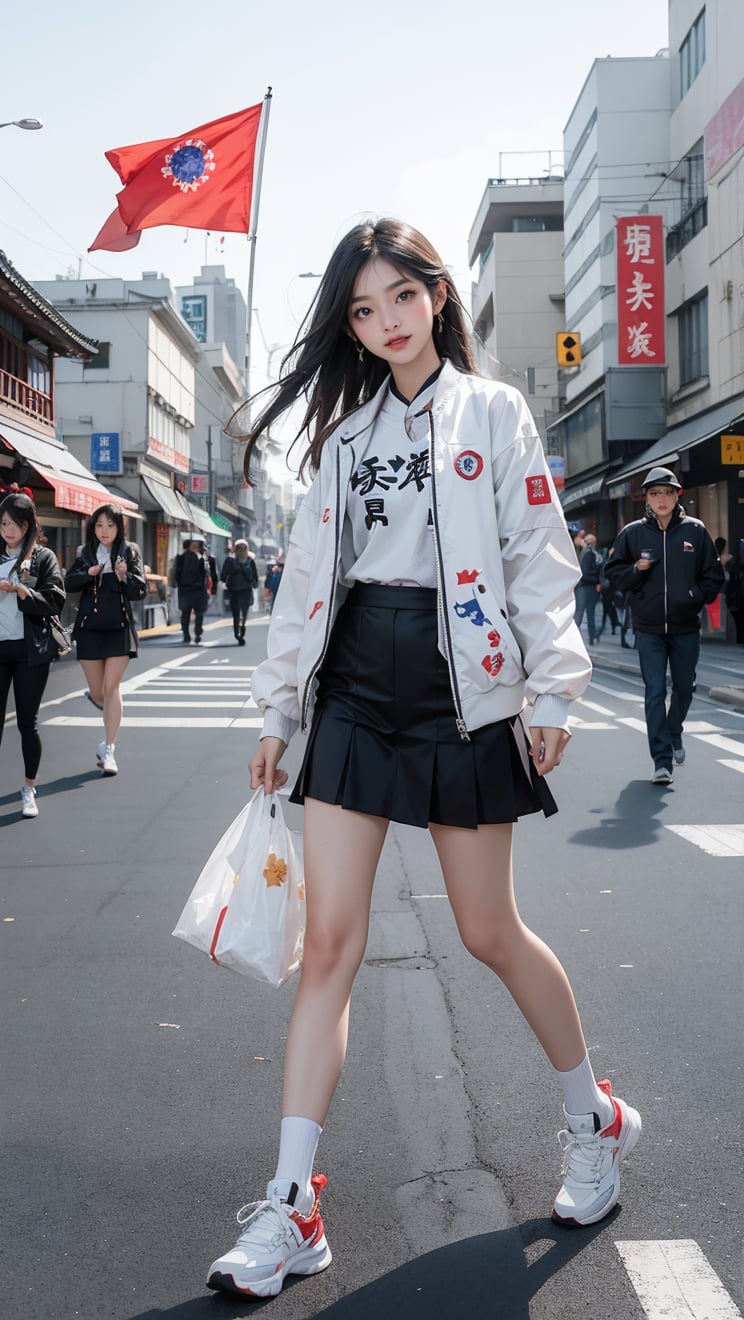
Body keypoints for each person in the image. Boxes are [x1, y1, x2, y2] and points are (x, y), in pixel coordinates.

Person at [205, 219, 642, 1301]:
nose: (385, 321)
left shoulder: (491, 412)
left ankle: (595, 1122)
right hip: (354, 691)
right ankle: (293, 1204)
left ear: (437, 296)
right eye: (363, 308)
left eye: (400, 296)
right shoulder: (346, 439)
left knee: (489, 930)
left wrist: (554, 687)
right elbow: (310, 579)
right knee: (330, 948)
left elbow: (539, 552)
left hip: (462, 692)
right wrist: (278, 712)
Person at [605, 467, 724, 784]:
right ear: (646, 498)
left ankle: (674, 731)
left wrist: (693, 597)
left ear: (676, 496)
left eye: (667, 493)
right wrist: (637, 570)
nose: (661, 499)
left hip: (685, 627)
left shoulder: (695, 532)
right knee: (654, 692)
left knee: (684, 689)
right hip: (648, 628)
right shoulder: (632, 533)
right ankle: (662, 760)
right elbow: (615, 575)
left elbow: (713, 577)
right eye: (655, 493)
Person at [65, 504, 146, 777]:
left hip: (119, 628)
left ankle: (109, 749)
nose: (104, 531)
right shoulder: (85, 552)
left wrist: (124, 576)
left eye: (110, 525)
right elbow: (69, 582)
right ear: (93, 527)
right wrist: (87, 574)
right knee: (99, 692)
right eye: (99, 525)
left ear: (119, 527)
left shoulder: (129, 551)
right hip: (89, 629)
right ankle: (103, 718)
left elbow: (140, 591)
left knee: (112, 689)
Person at [0, 490, 65, 818]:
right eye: (3, 523)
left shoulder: (42, 558)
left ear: (26, 526)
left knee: (28, 722)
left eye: (13, 524)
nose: (7, 530)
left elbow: (55, 601)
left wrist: (22, 591)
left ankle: (29, 788)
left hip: (30, 651)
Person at [220, 539, 258, 644]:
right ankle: (241, 630)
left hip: (236, 590)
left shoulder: (231, 561)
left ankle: (238, 632)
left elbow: (223, 576)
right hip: (243, 590)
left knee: (237, 613)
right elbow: (255, 578)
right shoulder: (249, 561)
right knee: (242, 613)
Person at [174, 534, 210, 644]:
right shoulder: (184, 558)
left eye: (197, 545)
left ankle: (192, 632)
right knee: (191, 613)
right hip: (191, 590)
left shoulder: (200, 559)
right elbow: (177, 574)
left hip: (192, 590)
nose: (195, 547)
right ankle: (190, 633)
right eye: (193, 545)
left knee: (192, 613)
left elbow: (206, 574)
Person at [573, 533, 603, 645]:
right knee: (590, 613)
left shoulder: (586, 553)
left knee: (579, 613)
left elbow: (584, 572)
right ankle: (592, 637)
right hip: (592, 586)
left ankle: (573, 639)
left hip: (584, 587)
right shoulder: (594, 554)